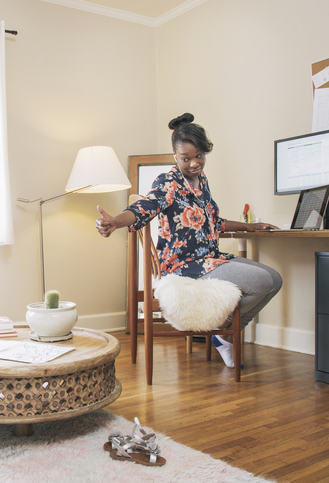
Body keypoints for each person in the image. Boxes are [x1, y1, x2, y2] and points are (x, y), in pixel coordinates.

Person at [96, 113, 282, 368]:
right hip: (185, 266)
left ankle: (223, 332)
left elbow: (213, 222)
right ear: (175, 156)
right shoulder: (168, 182)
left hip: (210, 259)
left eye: (199, 156)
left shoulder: (201, 181)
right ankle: (225, 332)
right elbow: (144, 207)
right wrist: (116, 221)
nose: (194, 163)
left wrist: (251, 226)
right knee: (263, 281)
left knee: (274, 279)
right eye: (186, 158)